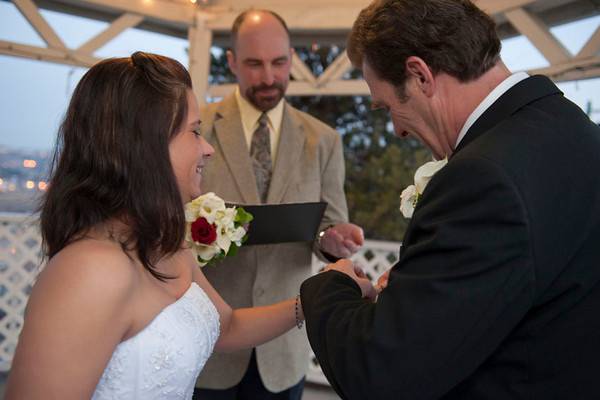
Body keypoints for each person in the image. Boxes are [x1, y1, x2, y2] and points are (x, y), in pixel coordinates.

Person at [300, 0, 600, 399]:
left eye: (388, 106)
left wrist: (330, 287)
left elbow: (381, 375)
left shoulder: (483, 177)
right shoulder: (577, 132)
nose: (397, 130)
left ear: (420, 75)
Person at [5, 51, 310, 400]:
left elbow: (227, 327)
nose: (207, 149)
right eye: (195, 132)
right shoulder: (88, 271)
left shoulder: (168, 243)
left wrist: (314, 300)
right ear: (145, 145)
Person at [193, 9, 363, 400]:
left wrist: (333, 240)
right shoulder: (196, 128)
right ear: (232, 62)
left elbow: (330, 227)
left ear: (291, 59)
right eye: (254, 64)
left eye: (279, 63)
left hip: (284, 346)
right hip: (209, 340)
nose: (269, 77)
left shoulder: (324, 140)